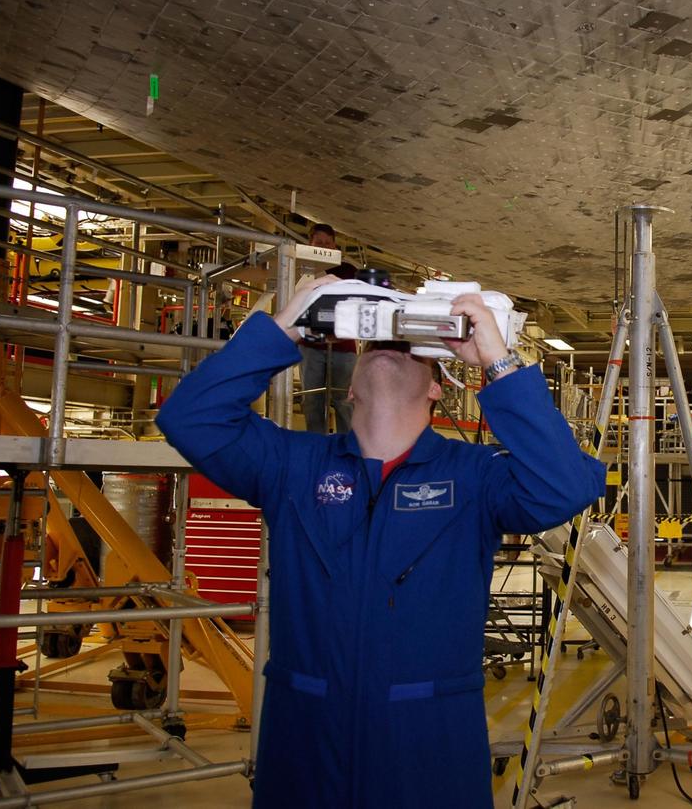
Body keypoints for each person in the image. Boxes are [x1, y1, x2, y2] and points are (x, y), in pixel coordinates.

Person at [156, 275, 606, 808]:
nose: (392, 346)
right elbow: (189, 418)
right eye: (377, 340)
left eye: (412, 340)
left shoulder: (475, 478)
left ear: (440, 387)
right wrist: (287, 326)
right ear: (350, 386)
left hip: (428, 749)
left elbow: (568, 485)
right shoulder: (292, 467)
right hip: (304, 744)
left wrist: (496, 362)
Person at [298, 224, 358, 433]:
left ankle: (346, 448)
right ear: (310, 244)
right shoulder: (302, 270)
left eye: (327, 243)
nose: (324, 247)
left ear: (334, 244)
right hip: (311, 344)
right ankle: (317, 445)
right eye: (319, 243)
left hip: (343, 345)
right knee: (312, 399)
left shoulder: (348, 270)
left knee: (344, 400)